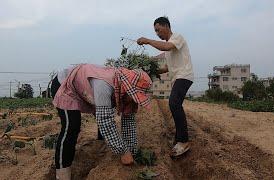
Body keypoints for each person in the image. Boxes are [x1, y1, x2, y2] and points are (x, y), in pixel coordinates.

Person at [51, 64, 152, 180]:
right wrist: (123, 151)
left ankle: (100, 146)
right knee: (72, 126)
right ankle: (62, 173)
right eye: (135, 96)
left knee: (103, 111)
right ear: (128, 88)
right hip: (65, 83)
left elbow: (129, 120)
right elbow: (105, 121)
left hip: (87, 88)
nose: (135, 100)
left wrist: (131, 150)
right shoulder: (104, 85)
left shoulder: (124, 88)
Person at [137, 16, 194, 157]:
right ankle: (179, 138)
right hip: (177, 77)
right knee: (174, 105)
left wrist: (148, 41)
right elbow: (168, 67)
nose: (157, 33)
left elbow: (166, 46)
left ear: (166, 26)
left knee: (174, 103)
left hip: (184, 75)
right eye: (155, 31)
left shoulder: (177, 38)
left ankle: (184, 140)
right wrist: (151, 71)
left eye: (158, 30)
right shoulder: (170, 47)